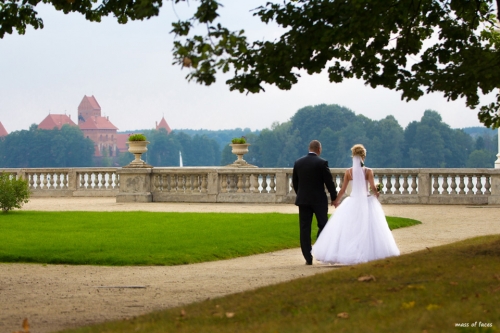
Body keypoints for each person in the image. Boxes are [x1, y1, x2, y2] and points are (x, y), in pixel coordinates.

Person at [311, 144, 400, 265]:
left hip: (351, 201)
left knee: (349, 228)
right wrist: (377, 191)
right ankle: (370, 252)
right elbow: (373, 188)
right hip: (367, 201)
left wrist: (336, 200)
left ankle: (346, 252)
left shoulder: (348, 172)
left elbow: (342, 190)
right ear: (364, 156)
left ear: (353, 156)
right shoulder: (368, 171)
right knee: (370, 228)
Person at [293, 140, 338, 265]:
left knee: (304, 228)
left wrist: (301, 194)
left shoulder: (298, 162)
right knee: (323, 225)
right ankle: (318, 247)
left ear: (310, 148)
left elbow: (295, 183)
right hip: (319, 200)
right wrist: (334, 197)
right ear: (319, 149)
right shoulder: (322, 163)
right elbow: (329, 182)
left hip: (303, 200)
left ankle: (308, 257)